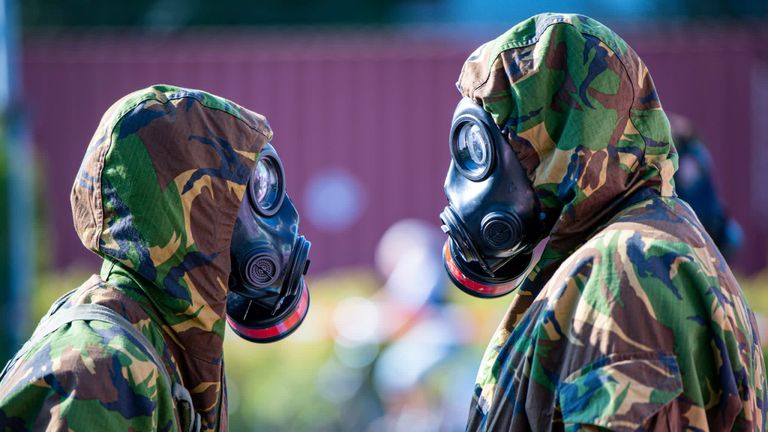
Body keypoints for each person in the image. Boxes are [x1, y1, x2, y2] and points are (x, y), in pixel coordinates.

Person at [438, 13, 767, 431]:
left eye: (485, 146)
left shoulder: (629, 267)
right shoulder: (644, 247)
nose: (460, 181)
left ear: (554, 136)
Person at [0, 85, 311, 431]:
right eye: (251, 188)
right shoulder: (97, 368)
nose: (283, 217)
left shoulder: (163, 341)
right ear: (199, 209)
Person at [670, 113, 743, 260]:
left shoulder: (688, 159)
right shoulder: (698, 152)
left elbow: (690, 196)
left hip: (704, 227)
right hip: (710, 225)